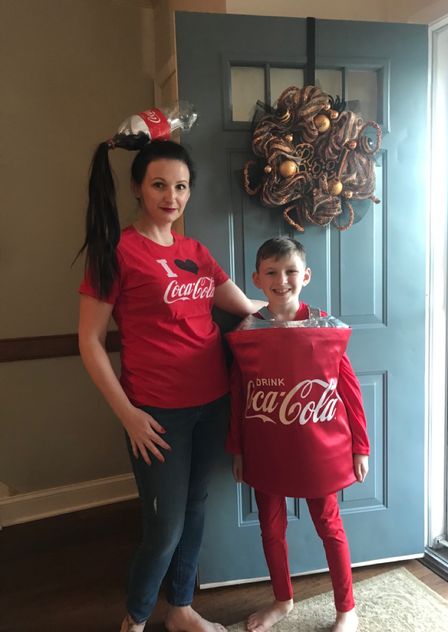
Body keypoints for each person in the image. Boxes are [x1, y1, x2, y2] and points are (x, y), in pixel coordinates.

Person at [77, 138, 262, 632]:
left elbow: (246, 309)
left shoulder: (195, 251)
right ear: (137, 187)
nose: (171, 196)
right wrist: (129, 416)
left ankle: (181, 610)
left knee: (196, 507)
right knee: (164, 528)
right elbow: (90, 341)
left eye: (181, 186)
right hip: (156, 414)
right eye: (159, 184)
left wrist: (298, 309)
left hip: (213, 403)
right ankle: (135, 621)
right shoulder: (116, 251)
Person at [225, 237, 370, 632]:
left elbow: (349, 389)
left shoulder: (325, 327)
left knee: (329, 525)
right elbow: (240, 394)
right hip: (266, 446)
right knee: (270, 527)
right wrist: (237, 448)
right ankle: (282, 600)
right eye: (271, 272)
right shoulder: (248, 331)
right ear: (256, 279)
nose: (281, 280)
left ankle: (347, 608)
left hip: (317, 450)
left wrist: (360, 446)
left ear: (305, 275)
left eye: (290, 271)